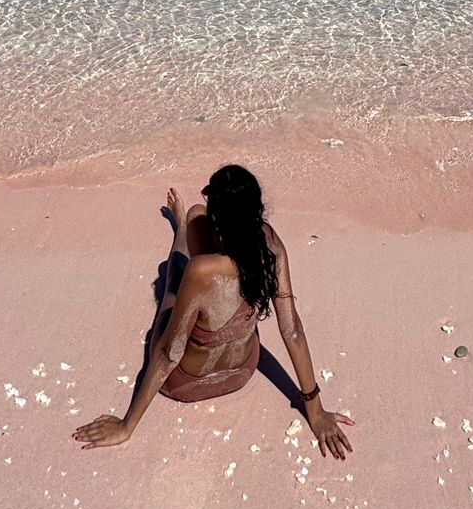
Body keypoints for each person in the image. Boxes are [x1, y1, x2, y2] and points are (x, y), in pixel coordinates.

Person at [73, 164, 355, 459]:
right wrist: (315, 408)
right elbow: (291, 329)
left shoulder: (202, 271)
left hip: (186, 383)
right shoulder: (271, 245)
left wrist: (127, 425)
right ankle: (188, 225)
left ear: (218, 220)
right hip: (241, 371)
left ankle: (179, 228)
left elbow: (170, 352)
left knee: (176, 275)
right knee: (199, 218)